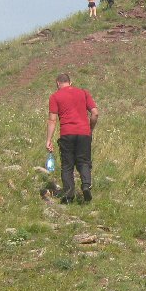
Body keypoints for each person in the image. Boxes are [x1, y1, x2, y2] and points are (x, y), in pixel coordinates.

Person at [45, 73, 98, 203]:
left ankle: (68, 196)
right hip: (84, 133)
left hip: (67, 134)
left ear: (58, 83)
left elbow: (52, 120)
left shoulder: (55, 96)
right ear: (70, 82)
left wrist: (49, 140)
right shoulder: (83, 93)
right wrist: (90, 128)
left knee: (67, 165)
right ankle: (86, 186)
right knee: (84, 162)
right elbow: (95, 113)